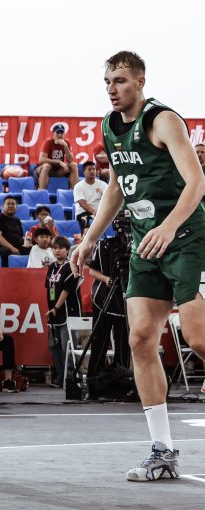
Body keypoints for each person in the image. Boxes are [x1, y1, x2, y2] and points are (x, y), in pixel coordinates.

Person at [71, 51, 205, 481]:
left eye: (121, 80)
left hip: (185, 237)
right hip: (146, 243)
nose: (112, 88)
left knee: (200, 339)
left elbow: (197, 182)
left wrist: (168, 226)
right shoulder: (110, 128)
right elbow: (116, 186)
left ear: (141, 81)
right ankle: (163, 450)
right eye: (108, 80)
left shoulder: (163, 120)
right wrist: (90, 238)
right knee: (141, 338)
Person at [86, 230, 130, 378]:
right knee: (99, 342)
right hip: (102, 300)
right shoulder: (104, 245)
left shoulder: (135, 246)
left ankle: (122, 378)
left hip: (125, 302)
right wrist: (107, 280)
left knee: (124, 344)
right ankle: (94, 380)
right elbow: (92, 270)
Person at [46, 235, 81, 388]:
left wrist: (55, 308)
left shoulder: (71, 266)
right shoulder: (52, 267)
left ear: (67, 250)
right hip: (53, 313)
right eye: (55, 248)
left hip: (68, 312)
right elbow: (50, 289)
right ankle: (60, 376)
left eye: (60, 248)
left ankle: (69, 378)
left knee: (67, 346)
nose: (57, 251)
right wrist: (51, 309)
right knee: (54, 346)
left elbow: (66, 291)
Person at [35, 123, 78, 190]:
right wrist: (58, 162)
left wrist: (65, 146)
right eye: (57, 132)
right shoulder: (48, 142)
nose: (60, 135)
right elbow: (41, 159)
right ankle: (41, 191)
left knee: (73, 165)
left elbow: (71, 161)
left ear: (64, 134)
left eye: (61, 133)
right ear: (53, 134)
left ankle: (75, 191)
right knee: (47, 166)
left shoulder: (67, 143)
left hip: (58, 171)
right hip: (43, 170)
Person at [0, 196, 29, 266]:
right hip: (2, 248)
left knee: (31, 249)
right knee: (6, 251)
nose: (11, 206)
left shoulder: (17, 220)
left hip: (17, 247)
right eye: (8, 204)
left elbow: (20, 237)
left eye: (13, 204)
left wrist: (28, 242)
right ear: (2, 206)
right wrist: (12, 248)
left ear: (16, 207)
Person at [74, 160, 108, 228]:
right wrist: (94, 212)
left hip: (100, 213)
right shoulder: (78, 186)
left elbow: (107, 199)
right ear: (84, 172)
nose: (92, 171)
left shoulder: (103, 184)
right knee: (87, 221)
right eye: (89, 169)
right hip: (83, 213)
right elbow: (82, 203)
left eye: (94, 169)